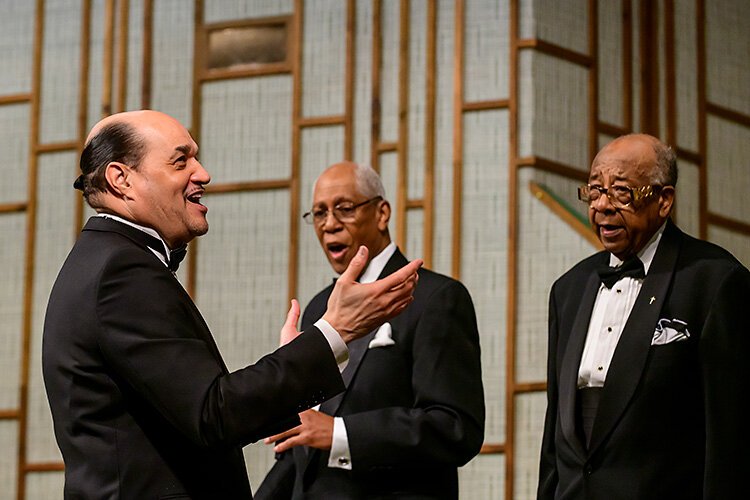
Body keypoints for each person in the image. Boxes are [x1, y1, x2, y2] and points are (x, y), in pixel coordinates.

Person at [42, 110, 422, 499]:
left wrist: (297, 358)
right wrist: (334, 332)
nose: (203, 174)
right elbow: (213, 414)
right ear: (122, 179)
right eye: (181, 160)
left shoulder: (104, 261)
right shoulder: (120, 271)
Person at [537, 134, 750, 499]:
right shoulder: (568, 289)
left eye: (621, 192)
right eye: (594, 190)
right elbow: (556, 432)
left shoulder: (714, 280)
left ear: (663, 200)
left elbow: (732, 434)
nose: (602, 205)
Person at [255, 162, 485, 499]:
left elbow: (455, 428)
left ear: (382, 213)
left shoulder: (435, 298)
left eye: (344, 209)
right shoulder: (320, 307)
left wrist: (339, 434)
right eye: (319, 213)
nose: (329, 224)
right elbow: (303, 443)